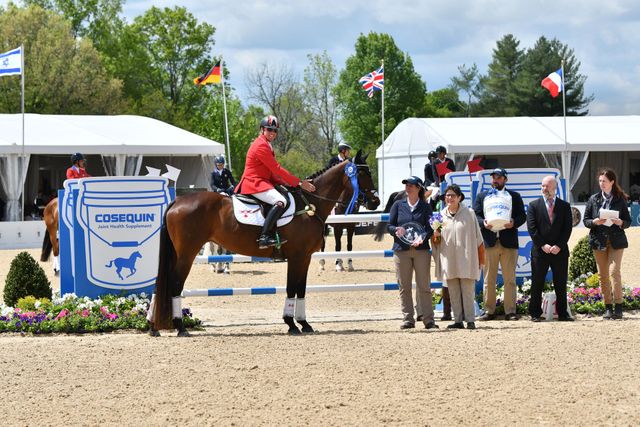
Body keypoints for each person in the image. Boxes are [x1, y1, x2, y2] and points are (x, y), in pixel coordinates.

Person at [236, 115, 316, 248]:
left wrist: (289, 183)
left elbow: (271, 172)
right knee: (281, 201)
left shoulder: (266, 144)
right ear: (262, 129)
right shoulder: (260, 145)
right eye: (269, 129)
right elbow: (276, 168)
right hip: (254, 183)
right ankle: (264, 237)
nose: (272, 133)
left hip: (262, 181)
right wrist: (299, 183)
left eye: (275, 130)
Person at [473, 168, 526, 321]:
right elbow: (476, 214)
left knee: (510, 278)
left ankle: (510, 311)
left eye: (499, 178)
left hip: (508, 242)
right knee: (489, 278)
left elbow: (522, 215)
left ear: (505, 179)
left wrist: (513, 222)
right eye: (493, 177)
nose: (495, 180)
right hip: (489, 241)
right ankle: (489, 311)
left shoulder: (514, 196)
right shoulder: (482, 196)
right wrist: (482, 223)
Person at [387, 176, 437, 330]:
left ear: (419, 188)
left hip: (421, 250)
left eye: (412, 185)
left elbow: (430, 227)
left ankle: (429, 319)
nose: (408, 187)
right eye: (407, 185)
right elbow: (389, 225)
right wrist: (395, 230)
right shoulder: (397, 205)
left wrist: (423, 237)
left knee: (424, 286)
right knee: (404, 286)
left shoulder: (425, 207)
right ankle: (408, 318)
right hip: (401, 250)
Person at [432, 184, 484, 330]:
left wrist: (481, 259)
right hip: (449, 259)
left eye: (453, 195)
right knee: (453, 290)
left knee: (467, 291)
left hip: (467, 258)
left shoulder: (470, 213)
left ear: (459, 197)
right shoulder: (439, 216)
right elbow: (436, 241)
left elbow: (478, 238)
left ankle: (470, 320)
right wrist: (435, 236)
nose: (449, 198)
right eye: (447, 195)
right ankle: (458, 320)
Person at [583, 168, 631, 319]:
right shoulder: (593, 199)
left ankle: (618, 306)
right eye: (600, 181)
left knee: (614, 272)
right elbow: (586, 220)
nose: (601, 184)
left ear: (612, 182)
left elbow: (628, 221)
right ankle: (608, 307)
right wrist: (595, 222)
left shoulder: (620, 200)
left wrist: (621, 222)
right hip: (599, 241)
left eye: (604, 181)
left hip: (616, 241)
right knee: (603, 275)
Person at [527, 176, 574, 322]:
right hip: (540, 252)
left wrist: (559, 245)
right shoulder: (533, 205)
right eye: (542, 186)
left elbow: (567, 229)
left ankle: (563, 313)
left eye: (547, 186)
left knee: (560, 283)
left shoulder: (565, 206)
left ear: (555, 187)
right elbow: (532, 228)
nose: (544, 189)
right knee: (537, 282)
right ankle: (535, 313)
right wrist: (543, 245)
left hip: (559, 251)